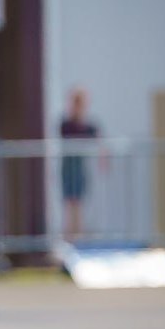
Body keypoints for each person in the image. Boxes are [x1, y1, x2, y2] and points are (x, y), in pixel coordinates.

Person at [60, 87, 100, 239]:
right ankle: (71, 235)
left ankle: (78, 234)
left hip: (79, 167)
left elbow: (95, 135)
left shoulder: (88, 125)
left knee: (79, 202)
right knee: (70, 202)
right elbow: (71, 133)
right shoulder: (66, 124)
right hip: (68, 167)